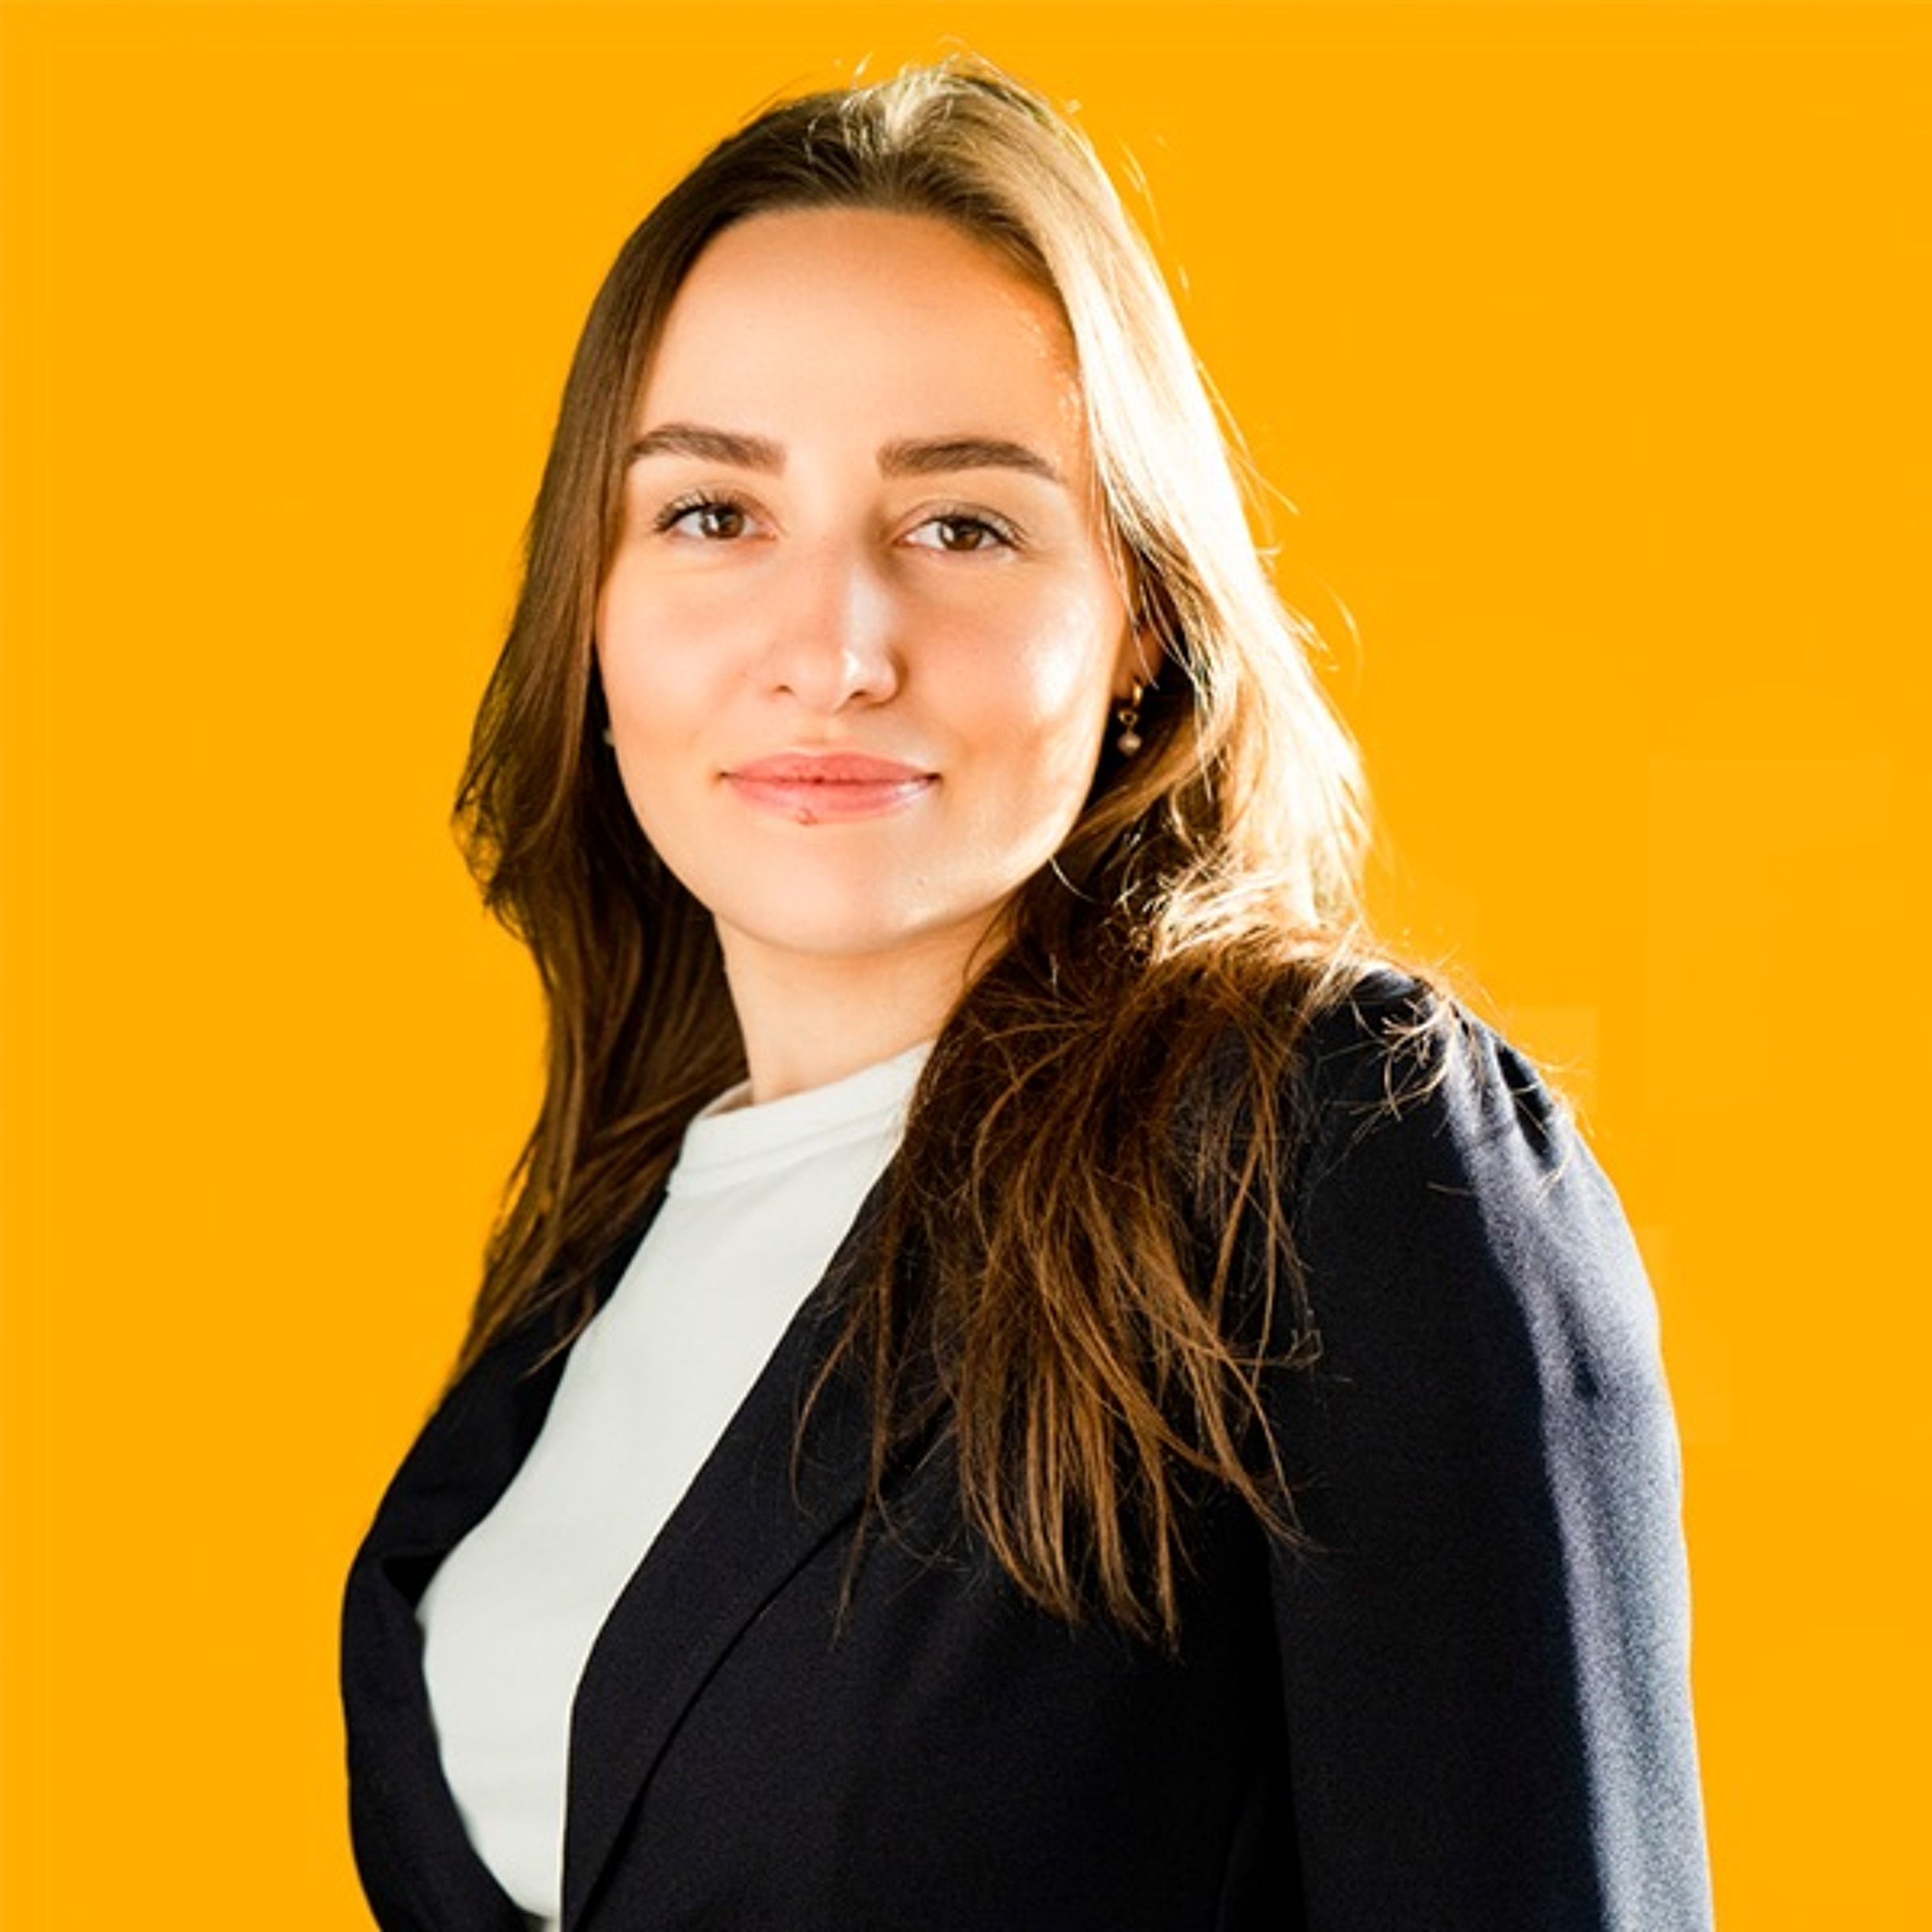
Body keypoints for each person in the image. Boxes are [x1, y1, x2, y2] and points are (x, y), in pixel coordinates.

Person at [341, 58, 1712, 1932]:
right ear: (592, 603)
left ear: (1139, 620)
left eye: (964, 526)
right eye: (714, 516)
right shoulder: (597, 1261)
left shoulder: (1338, 1157)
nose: (833, 649)